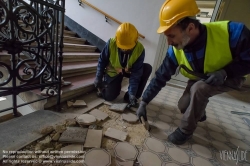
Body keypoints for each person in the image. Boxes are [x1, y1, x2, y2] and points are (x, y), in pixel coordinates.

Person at [136, 0, 250, 145]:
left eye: (171, 36)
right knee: (184, 105)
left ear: (190, 28)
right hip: (201, 76)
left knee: (199, 88)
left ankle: (185, 131)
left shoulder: (233, 33)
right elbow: (160, 77)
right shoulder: (175, 51)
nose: (168, 42)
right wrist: (144, 102)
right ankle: (199, 111)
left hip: (231, 75)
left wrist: (225, 72)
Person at [94, 22, 152, 107]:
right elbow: (102, 61)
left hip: (129, 71)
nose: (124, 49)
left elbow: (136, 74)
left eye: (128, 47)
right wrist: (98, 77)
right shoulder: (111, 43)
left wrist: (132, 93)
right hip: (114, 71)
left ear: (135, 40)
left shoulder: (139, 49)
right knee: (109, 97)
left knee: (147, 68)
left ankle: (132, 97)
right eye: (122, 47)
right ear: (117, 39)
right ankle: (104, 87)